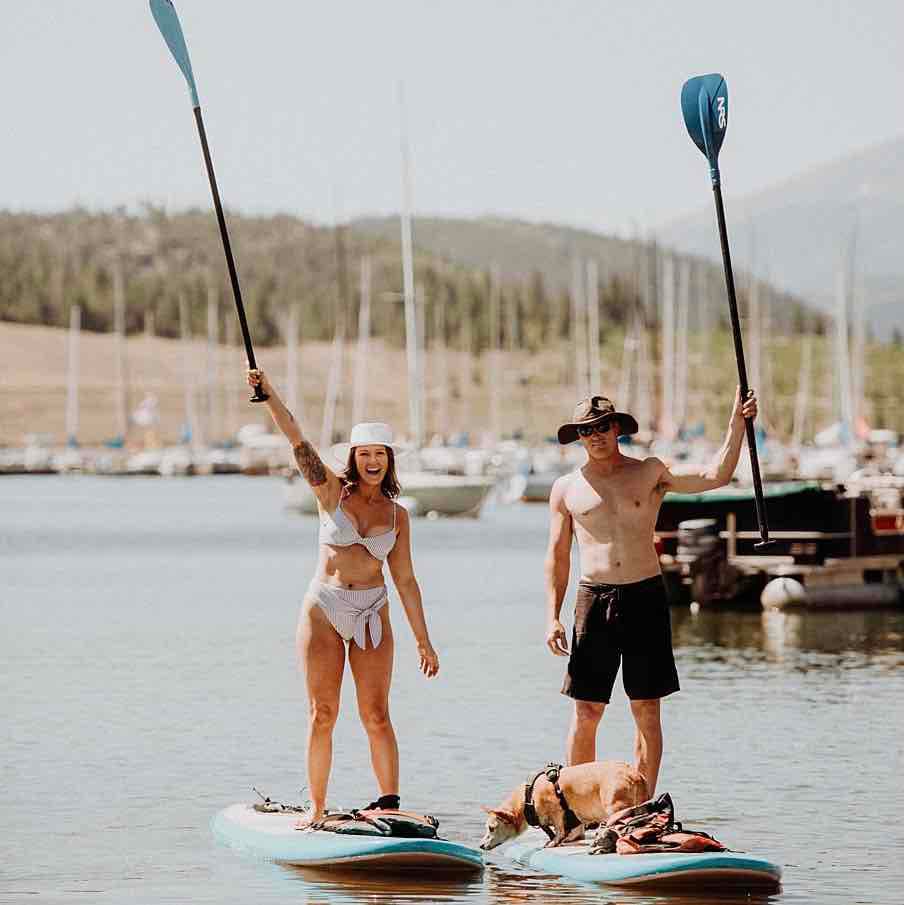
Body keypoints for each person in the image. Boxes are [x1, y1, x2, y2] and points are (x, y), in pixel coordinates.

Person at [247, 368, 439, 825]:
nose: (372, 461)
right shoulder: (330, 491)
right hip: (325, 609)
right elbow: (296, 438)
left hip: (373, 611)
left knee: (377, 714)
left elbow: (406, 581)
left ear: (389, 460)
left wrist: (424, 641)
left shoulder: (397, 515)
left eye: (380, 454)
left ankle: (389, 803)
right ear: (353, 458)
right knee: (323, 713)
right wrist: (269, 395)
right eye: (364, 454)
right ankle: (316, 808)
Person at [544, 388, 757, 795]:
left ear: (617, 428)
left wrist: (738, 422)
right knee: (587, 710)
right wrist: (552, 616)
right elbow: (557, 557)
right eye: (586, 431)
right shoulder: (566, 488)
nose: (595, 436)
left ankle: (641, 805)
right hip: (594, 599)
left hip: (644, 596)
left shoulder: (649, 472)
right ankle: (579, 808)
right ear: (578, 437)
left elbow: (716, 475)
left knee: (645, 707)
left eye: (602, 427)